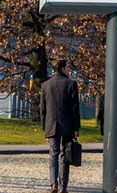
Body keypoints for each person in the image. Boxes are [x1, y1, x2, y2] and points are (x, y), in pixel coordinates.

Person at [40, 59, 80, 193]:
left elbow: (43, 110)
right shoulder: (71, 84)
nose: (69, 70)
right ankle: (63, 186)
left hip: (51, 125)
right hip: (68, 125)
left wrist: (44, 127)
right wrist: (76, 128)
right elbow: (75, 109)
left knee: (53, 154)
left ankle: (53, 185)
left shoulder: (45, 85)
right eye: (68, 67)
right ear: (62, 68)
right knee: (65, 155)